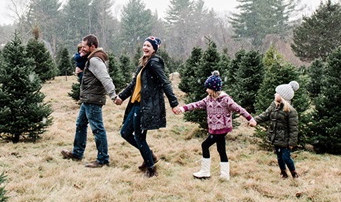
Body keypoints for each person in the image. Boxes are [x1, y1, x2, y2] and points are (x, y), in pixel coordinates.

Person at [114, 36, 179, 177]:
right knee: (125, 133)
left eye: (149, 46)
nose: (145, 48)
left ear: (154, 49)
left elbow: (165, 83)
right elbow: (133, 84)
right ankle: (149, 155)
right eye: (144, 45)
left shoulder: (154, 63)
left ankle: (151, 168)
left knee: (139, 137)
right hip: (136, 104)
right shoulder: (144, 64)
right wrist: (121, 97)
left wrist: (174, 103)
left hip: (146, 106)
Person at [174, 71, 255, 180]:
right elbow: (196, 104)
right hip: (214, 129)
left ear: (214, 89)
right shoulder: (208, 99)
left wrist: (250, 118)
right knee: (221, 149)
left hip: (222, 128)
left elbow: (238, 109)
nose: (206, 90)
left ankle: (205, 172)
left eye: (208, 88)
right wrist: (183, 108)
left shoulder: (226, 99)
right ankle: (224, 175)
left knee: (205, 145)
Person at [61, 34, 118, 168]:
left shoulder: (95, 60)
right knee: (80, 124)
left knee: (97, 129)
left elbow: (105, 78)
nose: (82, 49)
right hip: (87, 98)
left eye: (85, 46)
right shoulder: (90, 59)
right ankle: (77, 153)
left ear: (93, 47)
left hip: (93, 100)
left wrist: (113, 95)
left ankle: (103, 159)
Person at [253, 81, 300, 179]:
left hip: (285, 140)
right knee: (279, 157)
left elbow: (294, 129)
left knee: (286, 157)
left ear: (282, 96)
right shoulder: (274, 105)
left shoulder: (291, 111)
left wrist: (292, 143)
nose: (275, 94)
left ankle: (294, 173)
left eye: (277, 93)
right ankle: (283, 173)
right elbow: (265, 115)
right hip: (276, 137)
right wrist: (255, 121)